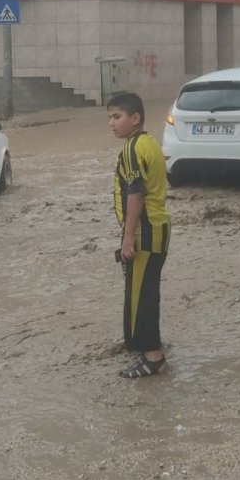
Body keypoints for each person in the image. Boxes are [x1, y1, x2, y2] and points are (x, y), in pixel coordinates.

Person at [107, 92, 170, 379]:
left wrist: (128, 238)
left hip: (145, 233)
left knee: (140, 296)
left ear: (135, 119)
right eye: (110, 117)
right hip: (157, 230)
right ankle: (146, 346)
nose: (112, 123)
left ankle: (153, 357)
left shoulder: (132, 150)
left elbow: (136, 194)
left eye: (117, 117)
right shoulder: (150, 143)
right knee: (146, 292)